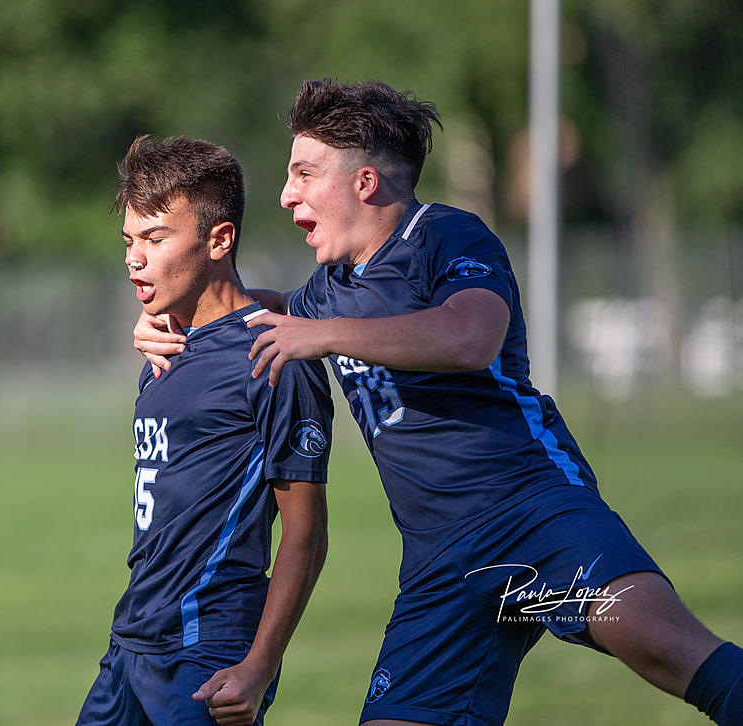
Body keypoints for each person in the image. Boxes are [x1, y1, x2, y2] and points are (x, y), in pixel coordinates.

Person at [134, 80, 743, 726]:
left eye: (304, 174)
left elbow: (471, 336)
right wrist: (173, 320)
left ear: (364, 183)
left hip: (532, 518)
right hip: (440, 569)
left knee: (665, 648)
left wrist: (323, 335)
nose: (287, 196)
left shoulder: (445, 236)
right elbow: (262, 312)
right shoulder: (324, 291)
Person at [77, 134, 333, 726]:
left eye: (156, 238)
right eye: (129, 240)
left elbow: (306, 534)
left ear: (219, 239)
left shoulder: (275, 358)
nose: (133, 259)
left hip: (206, 654)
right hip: (129, 647)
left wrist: (259, 666)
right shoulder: (165, 350)